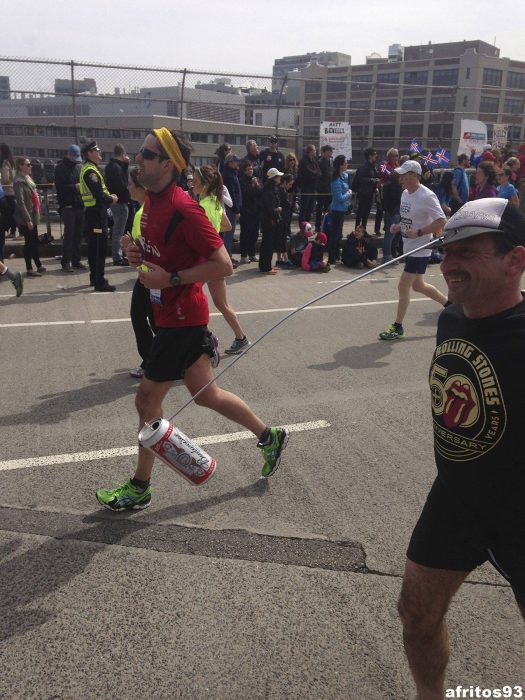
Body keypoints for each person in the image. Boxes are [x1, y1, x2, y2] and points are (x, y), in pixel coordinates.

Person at [95, 128, 288, 511]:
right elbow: (161, 255)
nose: (139, 159)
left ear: (167, 164)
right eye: (140, 151)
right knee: (207, 396)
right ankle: (270, 436)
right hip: (173, 314)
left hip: (181, 319)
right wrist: (136, 254)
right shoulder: (150, 201)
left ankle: (140, 486)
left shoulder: (184, 208)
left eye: (147, 155)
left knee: (146, 399)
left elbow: (224, 265)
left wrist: (171, 279)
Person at [398, 198, 525, 700]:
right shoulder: (452, 318)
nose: (448, 264)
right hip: (455, 497)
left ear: (516, 260)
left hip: (519, 510)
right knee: (415, 613)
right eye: (446, 251)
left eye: (467, 252)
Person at [379, 160, 448, 341]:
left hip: (420, 248)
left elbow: (441, 221)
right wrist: (397, 226)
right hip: (408, 245)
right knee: (418, 286)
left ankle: (398, 326)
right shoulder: (405, 194)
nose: (400, 178)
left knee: (403, 285)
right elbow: (407, 219)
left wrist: (419, 232)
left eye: (404, 174)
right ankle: (450, 305)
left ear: (413, 175)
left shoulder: (427, 196)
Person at [192, 164, 251, 355]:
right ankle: (241, 337)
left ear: (205, 183)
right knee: (221, 304)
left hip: (205, 262)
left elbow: (198, 238)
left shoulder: (204, 206)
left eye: (195, 179)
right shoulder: (216, 203)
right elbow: (226, 225)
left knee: (187, 301)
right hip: (214, 262)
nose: (192, 182)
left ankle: (205, 340)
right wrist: (214, 233)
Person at [121, 166, 155, 380]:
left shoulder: (144, 213)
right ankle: (154, 360)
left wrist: (128, 247)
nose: (127, 187)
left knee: (152, 321)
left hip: (151, 277)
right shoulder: (143, 209)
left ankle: (154, 362)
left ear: (142, 187)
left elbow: (146, 251)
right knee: (146, 318)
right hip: (146, 275)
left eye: (130, 184)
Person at [79, 141, 118, 292]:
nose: (100, 151)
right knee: (99, 248)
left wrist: (108, 197)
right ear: (89, 153)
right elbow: (99, 195)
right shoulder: (90, 171)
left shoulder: (90, 168)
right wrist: (112, 199)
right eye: (96, 149)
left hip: (94, 213)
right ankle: (99, 281)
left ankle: (94, 277)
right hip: (96, 214)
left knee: (94, 247)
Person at [54, 144, 86, 272]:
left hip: (79, 205)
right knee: (69, 235)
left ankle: (76, 260)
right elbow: (60, 188)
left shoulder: (78, 167)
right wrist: (74, 187)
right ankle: (65, 261)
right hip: (67, 206)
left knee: (78, 235)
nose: (75, 160)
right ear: (68, 154)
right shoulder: (60, 168)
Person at [13, 157, 45, 277]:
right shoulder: (18, 181)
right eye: (28, 164)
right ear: (21, 166)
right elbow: (20, 202)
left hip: (33, 214)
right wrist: (28, 220)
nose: (30, 166)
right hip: (25, 217)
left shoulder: (28, 178)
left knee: (34, 241)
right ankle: (29, 268)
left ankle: (39, 265)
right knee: (29, 243)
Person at [104, 144, 131, 266]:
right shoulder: (116, 168)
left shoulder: (112, 166)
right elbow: (123, 184)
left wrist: (125, 165)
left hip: (115, 202)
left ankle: (117, 255)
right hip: (120, 202)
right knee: (118, 230)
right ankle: (117, 257)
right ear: (123, 153)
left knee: (117, 229)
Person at [258, 167, 283, 274]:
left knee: (267, 243)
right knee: (267, 244)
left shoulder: (271, 189)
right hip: (269, 220)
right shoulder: (268, 190)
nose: (280, 178)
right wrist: (278, 209)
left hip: (269, 220)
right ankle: (266, 267)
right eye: (278, 176)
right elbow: (269, 208)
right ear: (274, 178)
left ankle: (265, 265)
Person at [238, 160, 261, 264]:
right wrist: (252, 186)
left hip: (256, 211)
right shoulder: (241, 181)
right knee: (245, 234)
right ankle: (243, 255)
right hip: (246, 211)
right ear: (244, 171)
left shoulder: (255, 180)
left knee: (254, 233)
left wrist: (257, 185)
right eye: (248, 169)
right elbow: (245, 195)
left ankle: (252, 254)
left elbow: (260, 193)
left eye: (251, 169)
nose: (250, 171)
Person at [329, 154, 351, 264]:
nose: (347, 164)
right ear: (341, 165)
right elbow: (339, 198)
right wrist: (348, 194)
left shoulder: (345, 176)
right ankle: (332, 257)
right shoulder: (335, 180)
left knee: (339, 235)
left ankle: (337, 255)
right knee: (334, 235)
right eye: (346, 162)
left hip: (343, 209)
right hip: (337, 209)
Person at [221, 154, 242, 263]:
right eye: (236, 161)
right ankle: (227, 257)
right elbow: (232, 194)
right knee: (228, 233)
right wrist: (236, 210)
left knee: (229, 233)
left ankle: (228, 256)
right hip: (231, 208)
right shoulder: (228, 175)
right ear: (230, 162)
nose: (238, 163)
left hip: (232, 207)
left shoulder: (232, 173)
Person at [354, 147, 379, 231]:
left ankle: (363, 230)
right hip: (363, 193)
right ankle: (357, 231)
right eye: (374, 154)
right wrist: (372, 180)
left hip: (370, 193)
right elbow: (361, 179)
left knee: (366, 213)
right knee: (360, 213)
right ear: (370, 156)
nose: (376, 156)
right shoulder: (364, 167)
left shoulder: (373, 167)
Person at [315, 145, 333, 233]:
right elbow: (319, 176)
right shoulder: (320, 162)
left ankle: (325, 225)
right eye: (330, 151)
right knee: (319, 208)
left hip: (329, 189)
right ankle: (317, 226)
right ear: (325, 152)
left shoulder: (330, 161)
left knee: (328, 208)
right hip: (322, 189)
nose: (331, 153)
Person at [0, 144, 16, 238]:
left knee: (8, 213)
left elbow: (5, 178)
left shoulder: (5, 162)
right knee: (12, 212)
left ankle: (11, 231)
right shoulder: (11, 161)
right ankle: (13, 231)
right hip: (11, 190)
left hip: (6, 191)